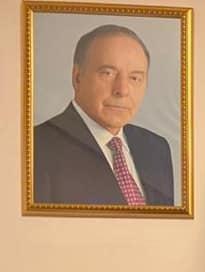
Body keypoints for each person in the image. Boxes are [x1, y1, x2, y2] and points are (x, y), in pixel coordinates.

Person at [34, 24, 175, 206]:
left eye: (135, 78)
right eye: (107, 73)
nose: (122, 90)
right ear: (77, 77)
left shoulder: (156, 148)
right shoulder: (37, 146)